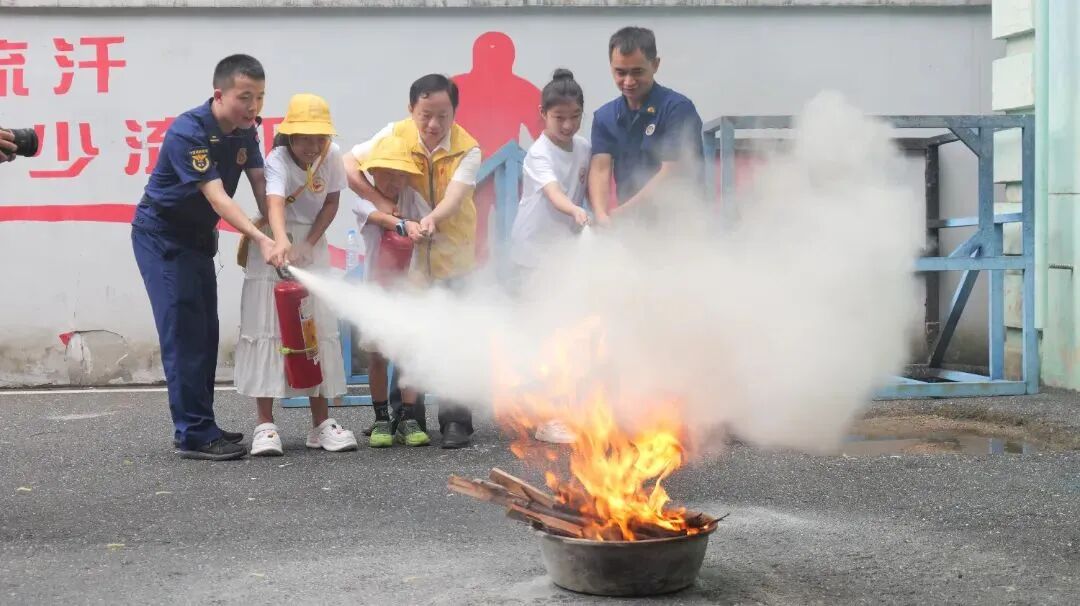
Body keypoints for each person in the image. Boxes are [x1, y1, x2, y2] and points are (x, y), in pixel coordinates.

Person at [131, 54, 286, 461]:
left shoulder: (246, 131)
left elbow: (259, 184)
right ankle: (193, 435)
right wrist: (259, 237)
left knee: (205, 333)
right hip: (162, 239)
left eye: (260, 97)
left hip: (198, 240)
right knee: (183, 333)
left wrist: (279, 234)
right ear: (220, 94)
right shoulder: (189, 131)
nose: (253, 107)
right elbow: (217, 197)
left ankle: (204, 424)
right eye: (244, 97)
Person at [343, 74, 481, 449]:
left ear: (454, 112)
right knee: (405, 334)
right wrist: (381, 202)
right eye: (425, 115)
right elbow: (348, 164)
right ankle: (407, 417)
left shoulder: (469, 148)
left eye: (442, 115)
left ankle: (455, 421)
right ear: (411, 110)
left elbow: (455, 197)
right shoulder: (395, 133)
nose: (433, 125)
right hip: (408, 259)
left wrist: (432, 219)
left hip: (452, 252)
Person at [235, 93, 357, 456]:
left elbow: (332, 202)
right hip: (275, 247)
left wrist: (309, 244)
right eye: (304, 137)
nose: (312, 145)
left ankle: (321, 426)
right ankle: (265, 426)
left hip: (311, 249)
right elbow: (273, 203)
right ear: (289, 136)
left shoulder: (331, 156)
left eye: (320, 137)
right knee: (268, 329)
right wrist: (282, 243)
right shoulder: (276, 160)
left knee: (315, 331)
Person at [507, 68, 591, 444]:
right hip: (533, 254)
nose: (568, 125)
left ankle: (560, 410)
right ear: (543, 114)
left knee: (567, 332)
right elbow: (556, 193)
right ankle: (544, 417)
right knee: (544, 333)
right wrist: (574, 210)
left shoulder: (586, 147)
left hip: (565, 255)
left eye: (575, 116)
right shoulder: (538, 153)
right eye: (560, 118)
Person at [351, 136, 431, 448]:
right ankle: (381, 418)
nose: (394, 180)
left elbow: (428, 223)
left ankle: (408, 418)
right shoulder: (364, 203)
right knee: (377, 357)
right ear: (372, 173)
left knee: (409, 355)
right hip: (375, 295)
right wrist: (403, 225)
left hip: (409, 294)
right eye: (387, 173)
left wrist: (422, 228)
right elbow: (378, 218)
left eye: (400, 174)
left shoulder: (414, 198)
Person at [588, 26, 705, 225]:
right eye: (620, 72)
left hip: (679, 224)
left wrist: (624, 212)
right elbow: (600, 169)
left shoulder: (677, 109)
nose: (628, 81)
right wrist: (600, 214)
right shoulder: (604, 117)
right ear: (611, 67)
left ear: (655, 64)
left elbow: (673, 172)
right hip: (631, 228)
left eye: (637, 72)